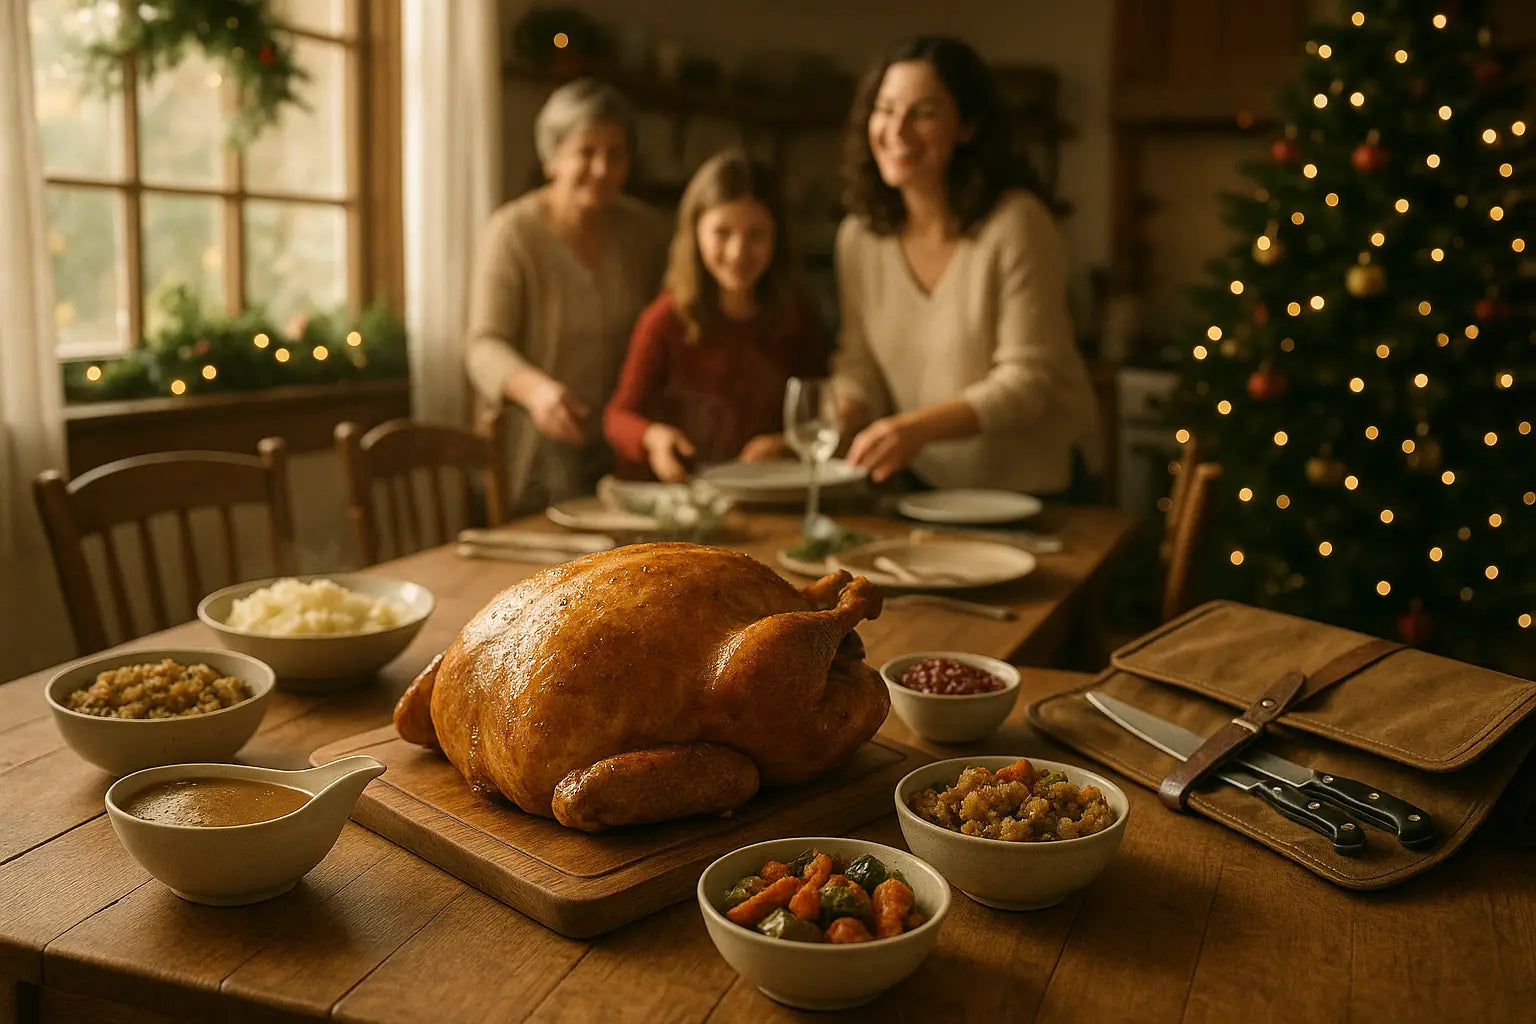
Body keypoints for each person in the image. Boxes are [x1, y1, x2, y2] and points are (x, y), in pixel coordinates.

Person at [832, 36, 1099, 496]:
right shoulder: (859, 238)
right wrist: (840, 419)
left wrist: (915, 429)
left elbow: (1029, 380)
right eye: (886, 108)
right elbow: (859, 361)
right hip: (928, 491)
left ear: (968, 126)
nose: (897, 130)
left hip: (1033, 494)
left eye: (924, 112)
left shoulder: (1017, 224)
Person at [464, 78, 669, 508]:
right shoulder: (513, 233)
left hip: (619, 453)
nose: (602, 168)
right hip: (533, 456)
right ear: (552, 158)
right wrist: (538, 391)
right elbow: (483, 345)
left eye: (616, 154)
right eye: (586, 152)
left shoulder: (645, 233)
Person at [604, 150, 827, 482]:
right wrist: (653, 438)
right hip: (678, 500)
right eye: (722, 233)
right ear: (695, 234)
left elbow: (819, 417)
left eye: (756, 235)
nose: (738, 252)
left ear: (777, 238)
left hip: (762, 501)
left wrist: (785, 445)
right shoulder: (666, 319)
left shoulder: (797, 317)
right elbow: (618, 417)